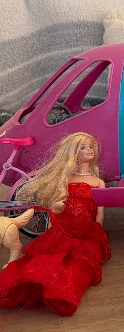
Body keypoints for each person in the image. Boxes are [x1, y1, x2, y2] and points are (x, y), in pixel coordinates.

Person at [0, 132, 111, 316]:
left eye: (90, 146)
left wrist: (97, 231)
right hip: (64, 227)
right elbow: (58, 207)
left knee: (78, 264)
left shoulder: (99, 182)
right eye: (83, 147)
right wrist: (57, 208)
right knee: (47, 258)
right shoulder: (67, 179)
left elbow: (100, 211)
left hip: (87, 231)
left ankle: (60, 291)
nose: (89, 150)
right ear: (73, 153)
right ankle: (36, 282)